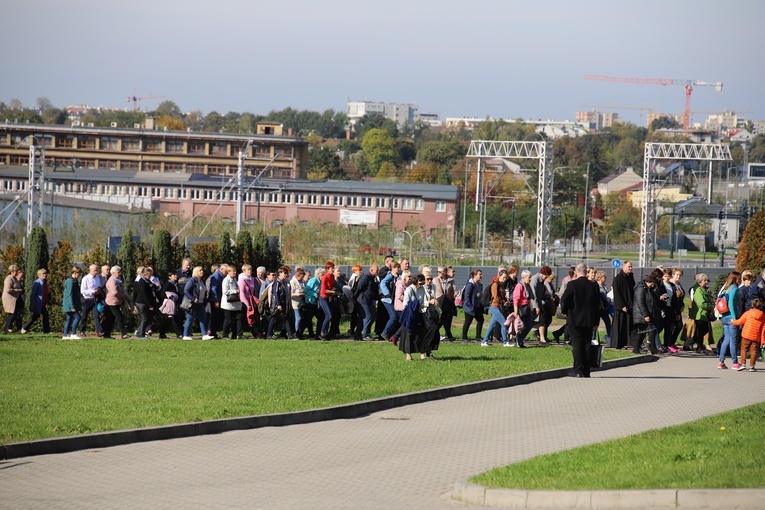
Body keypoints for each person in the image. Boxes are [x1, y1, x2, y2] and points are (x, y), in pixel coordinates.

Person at [560, 263, 601, 378]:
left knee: (577, 344)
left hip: (575, 319)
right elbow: (598, 305)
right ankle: (586, 370)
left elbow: (565, 301)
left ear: (576, 272)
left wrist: (566, 311)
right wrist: (596, 322)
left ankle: (578, 370)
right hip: (589, 320)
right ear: (586, 272)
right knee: (587, 343)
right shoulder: (593, 285)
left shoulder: (572, 284)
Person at [731, 297, 765, 372]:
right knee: (754, 351)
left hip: (746, 334)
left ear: (752, 305)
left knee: (743, 349)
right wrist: (763, 342)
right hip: (756, 336)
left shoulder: (747, 313)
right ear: (761, 306)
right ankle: (752, 366)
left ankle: (743, 364)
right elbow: (763, 330)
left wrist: (733, 321)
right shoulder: (763, 316)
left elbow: (740, 322)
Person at [631, 274, 661, 355]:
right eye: (652, 283)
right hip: (641, 314)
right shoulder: (640, 288)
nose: (653, 285)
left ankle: (636, 348)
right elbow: (640, 302)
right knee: (652, 329)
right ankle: (653, 348)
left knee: (642, 332)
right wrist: (645, 315)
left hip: (647, 313)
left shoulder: (647, 288)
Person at [717, 271, 741, 370]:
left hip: (724, 317)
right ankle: (735, 362)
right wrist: (734, 317)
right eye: (739, 278)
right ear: (735, 279)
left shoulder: (725, 288)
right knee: (733, 341)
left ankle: (721, 362)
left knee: (726, 339)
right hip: (731, 317)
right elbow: (731, 303)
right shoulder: (734, 288)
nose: (740, 281)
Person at [183, 266, 214, 340]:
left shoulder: (201, 281)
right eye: (200, 270)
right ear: (196, 272)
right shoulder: (192, 280)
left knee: (203, 319)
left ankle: (204, 334)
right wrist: (193, 298)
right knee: (190, 319)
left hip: (201, 303)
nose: (202, 271)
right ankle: (185, 335)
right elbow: (186, 290)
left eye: (202, 270)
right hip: (192, 304)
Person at [686, 273, 714, 354]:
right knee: (701, 330)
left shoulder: (705, 290)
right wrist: (711, 307)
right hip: (699, 314)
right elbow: (701, 303)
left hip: (704, 315)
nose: (706, 282)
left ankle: (691, 343)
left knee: (703, 330)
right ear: (699, 282)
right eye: (704, 281)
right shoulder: (698, 291)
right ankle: (699, 346)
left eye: (706, 280)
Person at [481, 269, 511, 347]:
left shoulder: (501, 285)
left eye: (506, 278)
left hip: (497, 306)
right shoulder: (495, 284)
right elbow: (495, 296)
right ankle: (505, 342)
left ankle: (484, 341)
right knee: (504, 323)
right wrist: (503, 302)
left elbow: (502, 296)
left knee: (492, 324)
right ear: (499, 276)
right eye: (503, 277)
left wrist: (505, 301)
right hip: (494, 306)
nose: (505, 279)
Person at [611, 260, 635, 349]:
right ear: (623, 267)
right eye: (629, 266)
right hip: (621, 307)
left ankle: (628, 342)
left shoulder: (630, 277)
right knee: (620, 326)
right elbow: (617, 293)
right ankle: (617, 344)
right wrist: (622, 305)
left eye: (631, 266)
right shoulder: (618, 278)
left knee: (628, 325)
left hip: (630, 305)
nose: (631, 268)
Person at [103, 266, 130, 339]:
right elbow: (114, 293)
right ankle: (124, 334)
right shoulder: (112, 281)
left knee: (110, 319)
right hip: (112, 302)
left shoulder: (117, 280)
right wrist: (123, 296)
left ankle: (106, 334)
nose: (120, 273)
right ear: (113, 273)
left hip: (116, 302)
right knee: (119, 317)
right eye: (118, 272)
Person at [353, 264, 379, 341]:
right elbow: (359, 288)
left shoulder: (373, 278)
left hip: (369, 300)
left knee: (364, 317)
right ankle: (366, 334)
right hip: (363, 300)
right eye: (377, 270)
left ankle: (357, 334)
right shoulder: (366, 278)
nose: (378, 272)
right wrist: (355, 298)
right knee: (368, 316)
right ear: (371, 270)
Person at [21, 268, 50, 334]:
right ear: (39, 275)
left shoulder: (44, 282)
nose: (45, 275)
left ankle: (25, 328)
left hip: (43, 302)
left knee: (40, 315)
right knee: (39, 315)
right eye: (43, 274)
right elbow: (33, 294)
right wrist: (32, 304)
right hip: (38, 303)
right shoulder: (37, 283)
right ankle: (46, 330)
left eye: (45, 274)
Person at [78, 264, 103, 337]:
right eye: (95, 270)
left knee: (97, 315)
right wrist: (92, 291)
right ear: (90, 270)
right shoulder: (86, 278)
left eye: (97, 270)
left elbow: (99, 286)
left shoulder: (97, 278)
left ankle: (98, 331)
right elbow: (83, 291)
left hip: (95, 299)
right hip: (87, 299)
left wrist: (98, 291)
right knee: (84, 316)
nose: (96, 272)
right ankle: (82, 330)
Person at [530, 266, 553, 342]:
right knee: (529, 322)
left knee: (542, 320)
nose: (546, 278)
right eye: (546, 276)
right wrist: (536, 307)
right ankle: (517, 336)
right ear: (543, 274)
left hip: (539, 304)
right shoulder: (535, 279)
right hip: (532, 305)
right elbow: (533, 294)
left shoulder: (541, 280)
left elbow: (542, 293)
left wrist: (549, 297)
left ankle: (542, 338)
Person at [133, 267, 158, 339]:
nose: (151, 276)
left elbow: (153, 288)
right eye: (150, 274)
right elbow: (144, 294)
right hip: (142, 302)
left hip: (145, 302)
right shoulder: (142, 282)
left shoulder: (147, 281)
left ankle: (140, 332)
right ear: (147, 274)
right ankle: (140, 334)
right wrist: (149, 305)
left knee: (145, 318)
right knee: (144, 318)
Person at [512, 270, 534, 348]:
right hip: (521, 308)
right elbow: (516, 299)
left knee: (529, 325)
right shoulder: (520, 286)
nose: (530, 279)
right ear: (524, 277)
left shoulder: (527, 286)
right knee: (521, 326)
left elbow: (530, 298)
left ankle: (520, 339)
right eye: (529, 277)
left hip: (527, 308)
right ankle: (519, 342)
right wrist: (516, 311)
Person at [380, 262, 400, 341]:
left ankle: (390, 334)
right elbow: (383, 283)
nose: (397, 269)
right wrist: (386, 293)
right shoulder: (389, 276)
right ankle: (385, 333)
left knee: (396, 317)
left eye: (398, 267)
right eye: (396, 267)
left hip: (393, 300)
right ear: (392, 268)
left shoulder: (398, 277)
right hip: (387, 300)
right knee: (394, 317)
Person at [221, 266, 243, 339]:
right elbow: (225, 291)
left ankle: (236, 335)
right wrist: (235, 291)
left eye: (235, 271)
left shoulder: (235, 280)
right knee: (228, 321)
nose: (235, 273)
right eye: (233, 271)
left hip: (236, 304)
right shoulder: (226, 280)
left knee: (237, 320)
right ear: (229, 272)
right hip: (228, 304)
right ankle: (225, 335)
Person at [461, 270, 484, 341]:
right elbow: (467, 297)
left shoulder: (479, 285)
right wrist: (470, 306)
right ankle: (464, 337)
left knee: (480, 320)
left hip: (477, 306)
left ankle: (478, 336)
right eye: (479, 274)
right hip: (470, 307)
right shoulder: (470, 285)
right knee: (468, 321)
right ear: (474, 275)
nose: (481, 276)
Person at [158, 271, 182, 339]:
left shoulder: (176, 284)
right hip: (169, 304)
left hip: (174, 304)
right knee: (170, 319)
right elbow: (163, 294)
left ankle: (163, 334)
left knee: (173, 319)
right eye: (173, 275)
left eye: (176, 275)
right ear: (169, 277)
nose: (176, 276)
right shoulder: (168, 284)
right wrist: (170, 297)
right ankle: (177, 334)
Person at [207, 263, 228, 338]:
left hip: (219, 299)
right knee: (214, 316)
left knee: (217, 317)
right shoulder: (216, 276)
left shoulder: (221, 276)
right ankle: (211, 332)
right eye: (226, 271)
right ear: (221, 269)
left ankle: (213, 332)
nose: (227, 273)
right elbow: (213, 289)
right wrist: (216, 300)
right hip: (215, 299)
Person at [303, 267, 324, 339]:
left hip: (316, 303)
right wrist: (315, 294)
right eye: (322, 274)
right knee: (308, 319)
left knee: (321, 317)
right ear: (318, 274)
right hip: (310, 302)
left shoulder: (320, 281)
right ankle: (298, 332)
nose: (323, 276)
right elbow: (306, 290)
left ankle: (318, 334)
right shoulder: (313, 280)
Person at [61, 266, 82, 339]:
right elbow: (69, 294)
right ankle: (73, 333)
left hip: (70, 304)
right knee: (78, 317)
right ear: (75, 273)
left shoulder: (74, 281)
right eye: (79, 274)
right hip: (70, 304)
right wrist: (72, 306)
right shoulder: (70, 282)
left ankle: (65, 335)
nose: (79, 276)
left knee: (69, 319)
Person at [238, 264, 258, 338]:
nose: (250, 271)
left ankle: (255, 332)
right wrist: (247, 304)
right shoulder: (241, 280)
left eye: (250, 270)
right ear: (244, 271)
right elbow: (242, 294)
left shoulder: (252, 279)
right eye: (248, 270)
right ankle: (240, 334)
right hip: (244, 302)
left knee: (252, 317)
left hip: (251, 301)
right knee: (243, 318)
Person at [3, 264, 24, 333]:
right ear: (12, 271)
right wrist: (18, 290)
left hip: (15, 298)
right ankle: (8, 327)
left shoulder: (15, 278)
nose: (16, 272)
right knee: (13, 313)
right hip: (9, 298)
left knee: (14, 313)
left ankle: (7, 328)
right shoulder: (9, 278)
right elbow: (7, 289)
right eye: (15, 271)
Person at [318, 262, 336, 340]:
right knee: (329, 315)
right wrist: (332, 292)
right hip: (323, 298)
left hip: (329, 298)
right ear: (328, 269)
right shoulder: (325, 277)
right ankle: (322, 332)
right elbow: (324, 290)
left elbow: (332, 285)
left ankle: (325, 333)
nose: (333, 269)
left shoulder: (332, 276)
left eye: (333, 268)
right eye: (332, 268)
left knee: (328, 316)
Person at [595, 271, 612, 346]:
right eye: (604, 277)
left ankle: (610, 337)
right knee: (596, 324)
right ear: (600, 277)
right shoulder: (596, 285)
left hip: (605, 308)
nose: (606, 278)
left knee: (608, 323)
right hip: (599, 308)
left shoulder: (604, 285)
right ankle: (593, 338)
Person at [289, 267, 306, 338]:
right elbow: (290, 294)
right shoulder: (292, 282)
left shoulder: (302, 282)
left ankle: (298, 332)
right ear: (298, 275)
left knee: (301, 318)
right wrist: (298, 294)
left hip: (301, 303)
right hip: (294, 303)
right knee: (298, 318)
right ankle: (296, 332)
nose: (302, 278)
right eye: (301, 277)